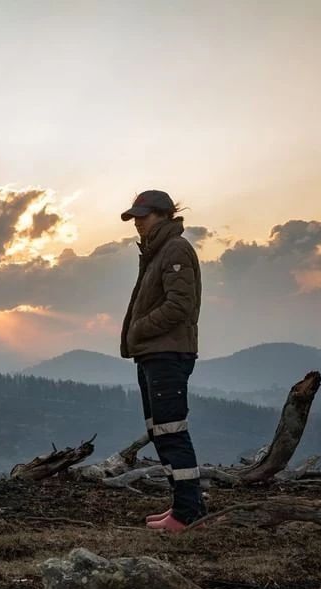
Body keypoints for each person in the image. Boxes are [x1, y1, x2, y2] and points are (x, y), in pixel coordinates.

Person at [119, 190, 204, 532]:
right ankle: (185, 506)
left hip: (168, 353)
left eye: (143, 215)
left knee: (171, 431)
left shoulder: (175, 249)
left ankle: (186, 514)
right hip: (154, 353)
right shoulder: (156, 252)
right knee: (160, 431)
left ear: (164, 215)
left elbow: (180, 305)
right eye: (135, 216)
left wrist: (139, 329)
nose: (137, 222)